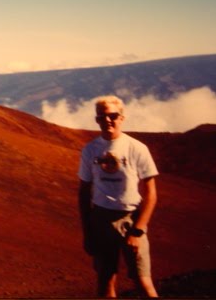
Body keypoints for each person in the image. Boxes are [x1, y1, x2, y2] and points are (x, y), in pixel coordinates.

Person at [78, 95, 159, 298]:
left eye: (113, 115)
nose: (107, 120)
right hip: (101, 220)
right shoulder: (90, 150)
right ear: (97, 119)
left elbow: (151, 194)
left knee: (142, 280)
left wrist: (137, 231)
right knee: (105, 280)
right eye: (102, 116)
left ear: (121, 117)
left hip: (131, 219)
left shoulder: (137, 149)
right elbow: (84, 191)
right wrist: (87, 232)